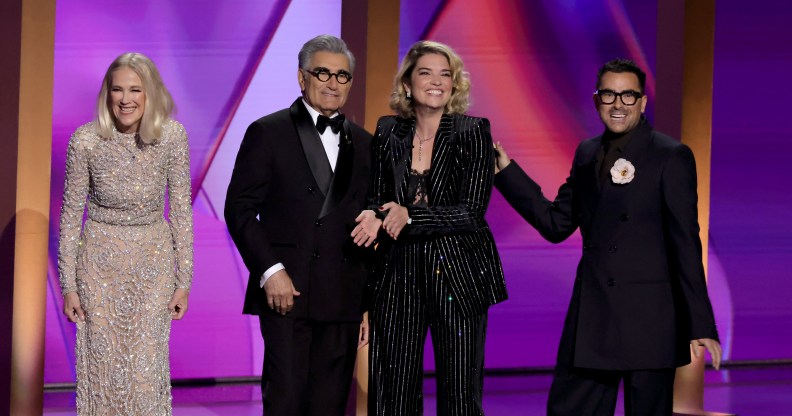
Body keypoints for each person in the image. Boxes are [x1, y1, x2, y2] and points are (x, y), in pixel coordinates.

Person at [493, 58, 721, 415]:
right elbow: (556, 224)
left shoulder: (670, 156)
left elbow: (686, 243)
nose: (618, 104)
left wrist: (701, 322)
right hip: (593, 319)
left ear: (643, 102)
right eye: (609, 95)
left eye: (628, 96)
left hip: (649, 323)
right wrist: (506, 171)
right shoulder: (586, 153)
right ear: (597, 99)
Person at [351, 40, 507, 415]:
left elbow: (471, 211)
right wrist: (373, 214)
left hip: (458, 275)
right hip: (398, 274)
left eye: (445, 74)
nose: (436, 81)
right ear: (407, 83)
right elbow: (378, 196)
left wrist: (411, 216)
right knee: (393, 392)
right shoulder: (389, 130)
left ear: (454, 85)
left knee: (459, 393)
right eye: (426, 72)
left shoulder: (472, 131)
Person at [224, 35, 372, 416]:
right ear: (301, 78)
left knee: (329, 405)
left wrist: (367, 305)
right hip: (287, 292)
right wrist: (270, 271)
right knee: (286, 400)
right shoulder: (268, 131)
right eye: (322, 72)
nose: (333, 82)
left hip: (342, 297)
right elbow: (239, 210)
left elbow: (373, 221)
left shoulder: (367, 143)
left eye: (342, 75)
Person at [58, 52, 193, 415]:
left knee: (145, 368)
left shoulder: (172, 138)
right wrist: (69, 286)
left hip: (153, 267)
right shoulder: (85, 141)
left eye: (135, 89)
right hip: (99, 267)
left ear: (150, 94)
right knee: (103, 367)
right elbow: (71, 216)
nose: (125, 98)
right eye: (117, 89)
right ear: (107, 94)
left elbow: (181, 211)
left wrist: (184, 280)